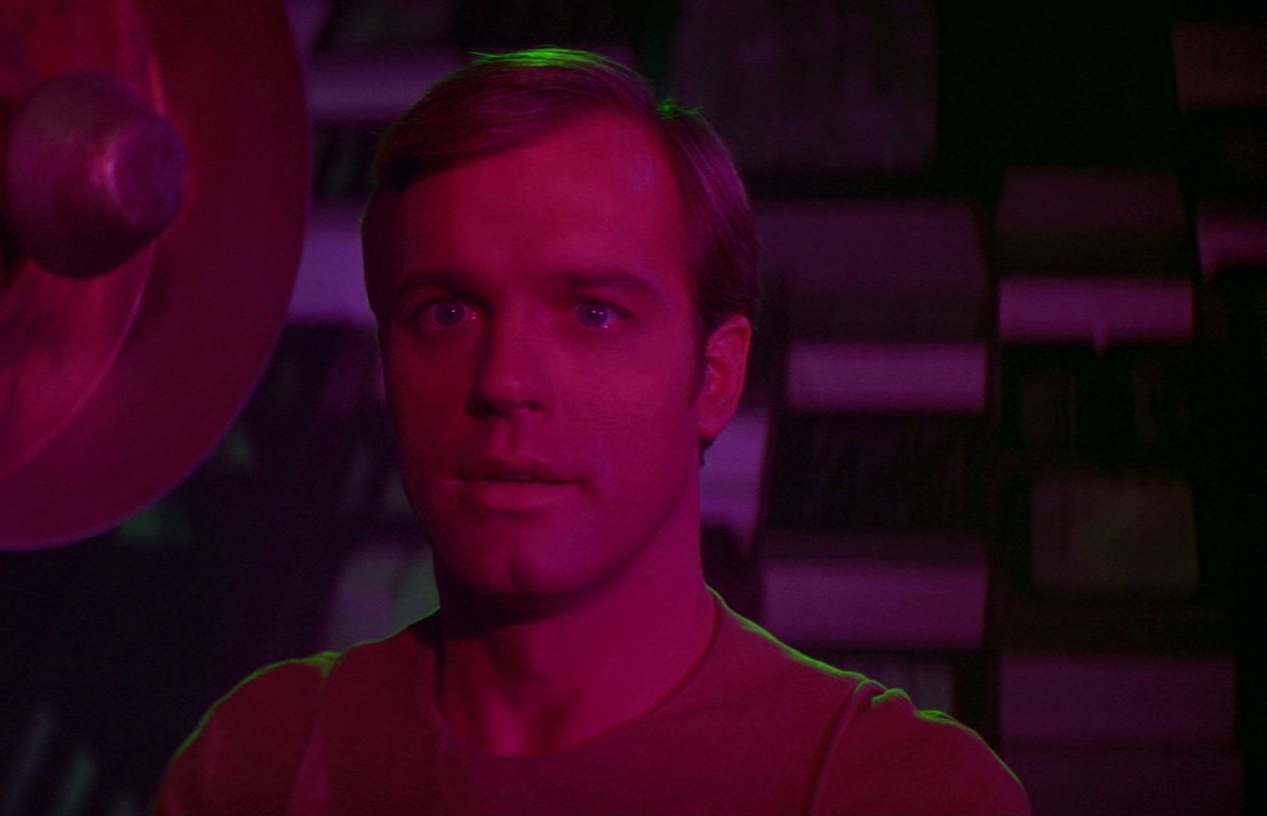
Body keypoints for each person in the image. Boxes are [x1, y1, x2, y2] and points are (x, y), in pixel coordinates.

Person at [153, 48, 1030, 815]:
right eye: (447, 312)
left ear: (714, 376)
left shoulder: (898, 790)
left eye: (594, 314)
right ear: (387, 360)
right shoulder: (259, 757)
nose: (504, 381)